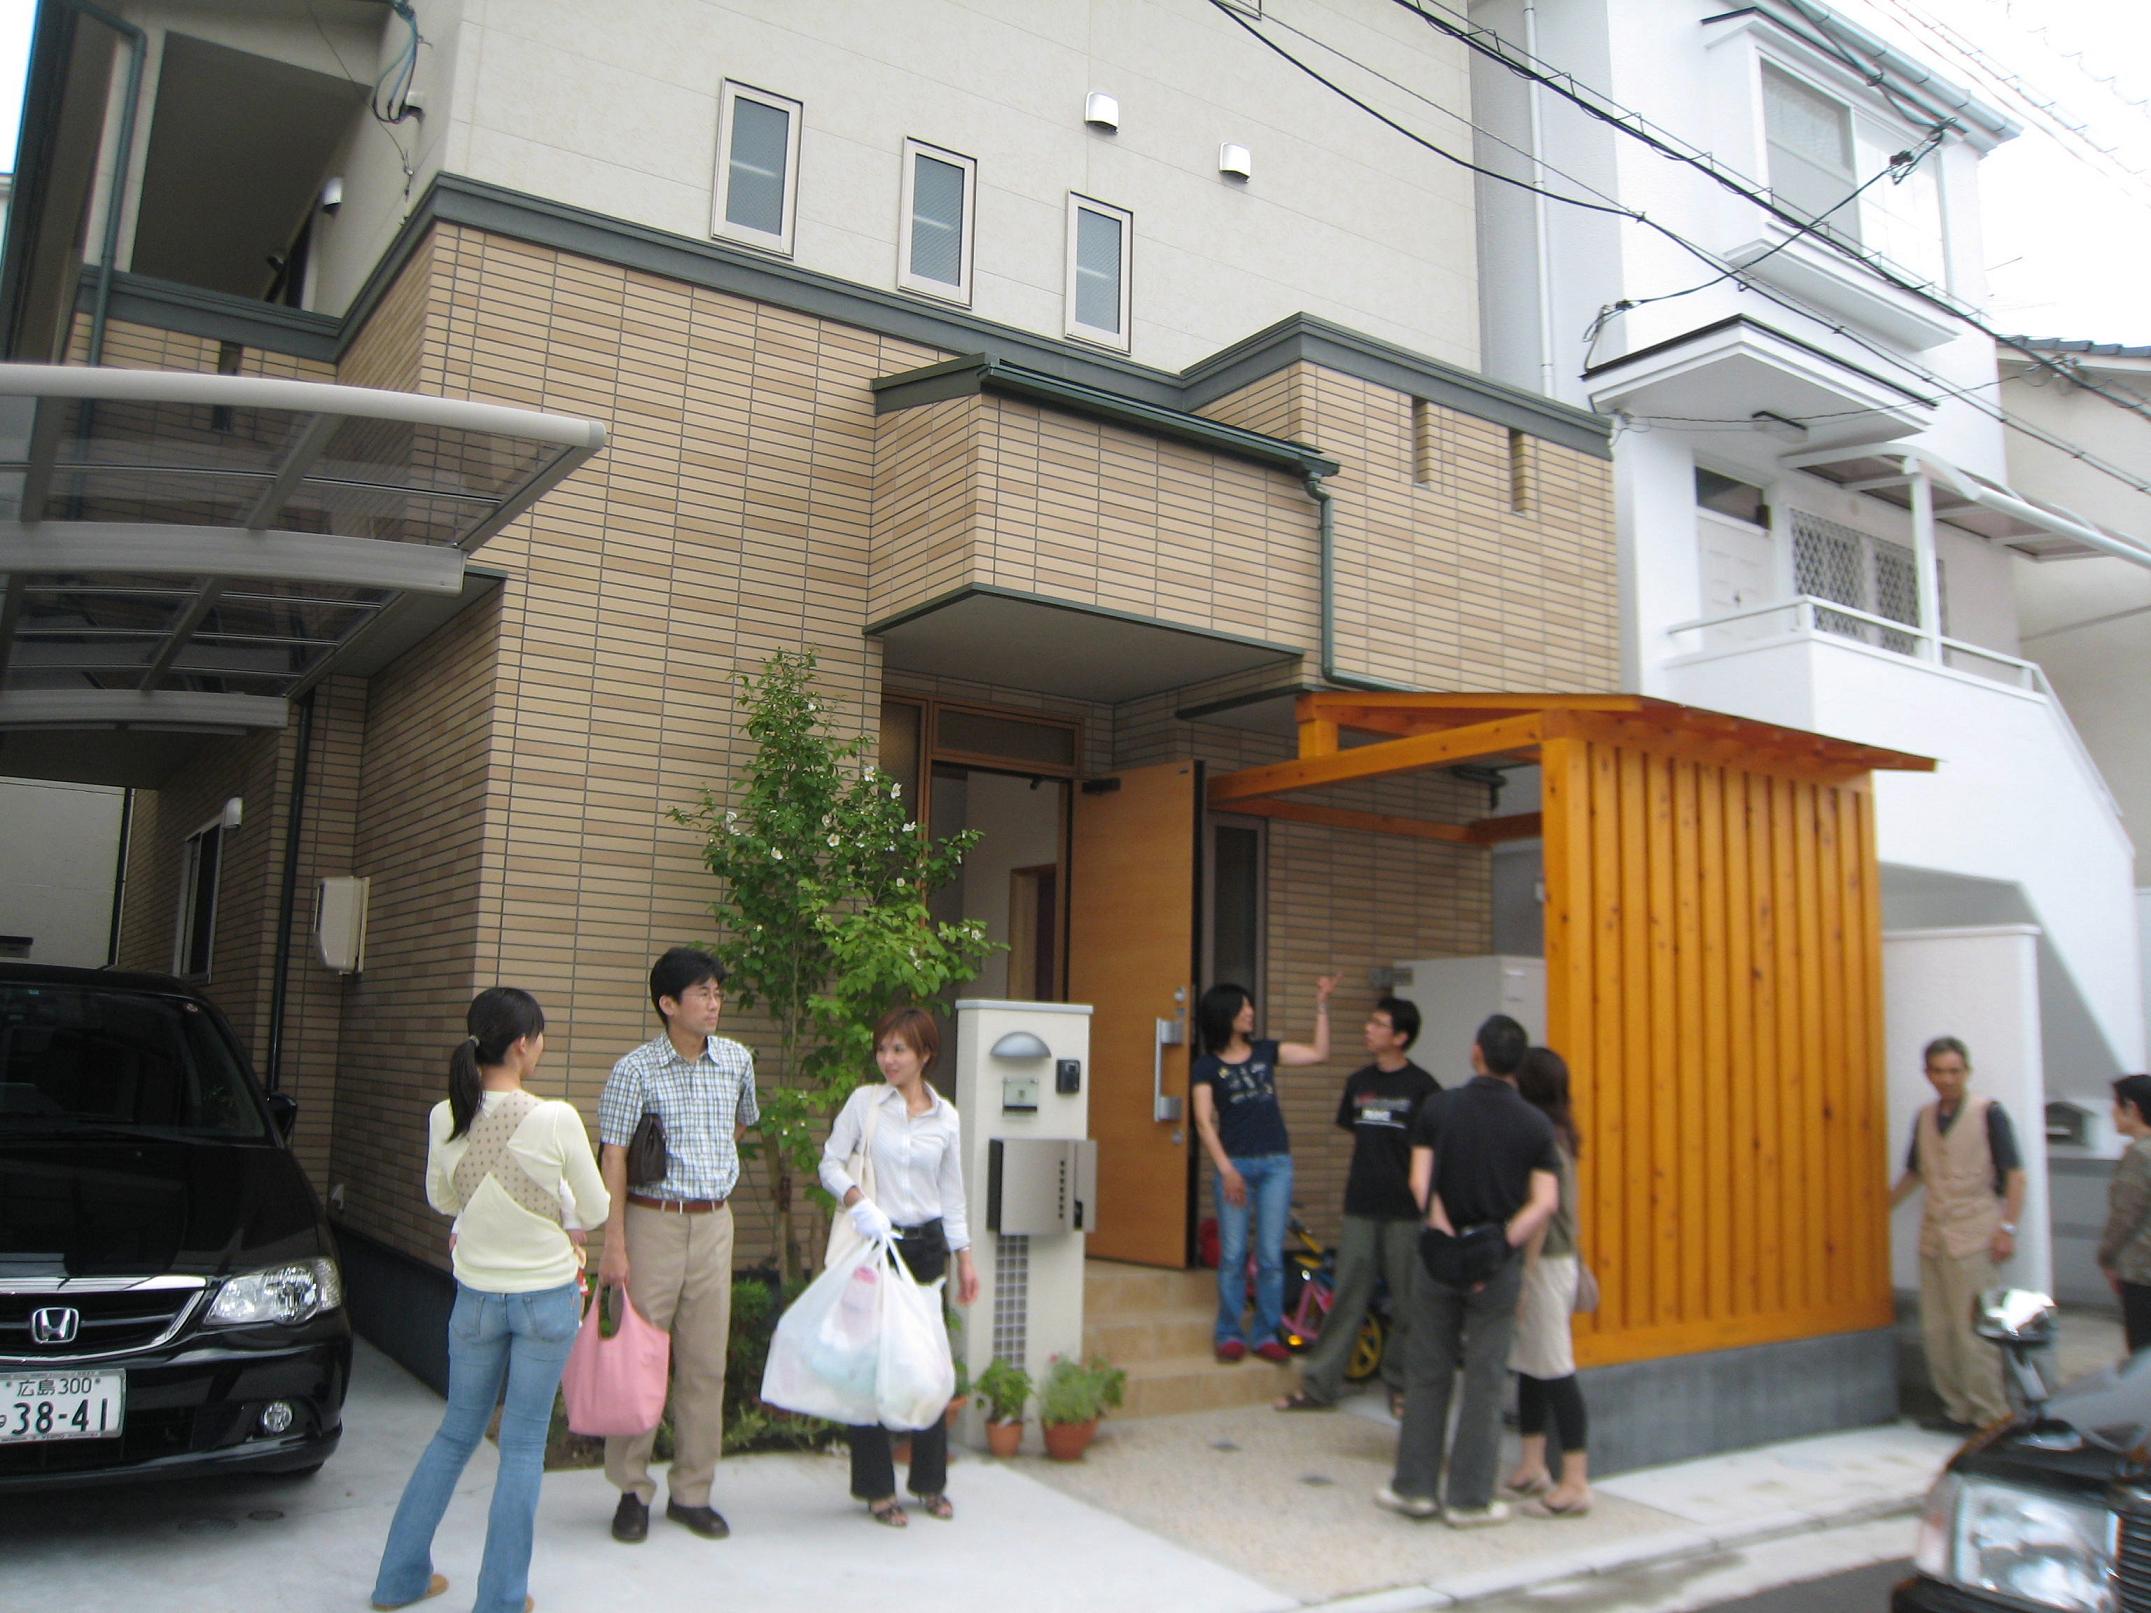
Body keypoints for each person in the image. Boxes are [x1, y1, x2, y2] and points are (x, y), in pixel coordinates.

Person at [371, 988, 609, 1613]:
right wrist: (557, 1204)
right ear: (524, 1044)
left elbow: (443, 1200)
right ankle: (500, 1600)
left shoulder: (443, 1114)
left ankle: (398, 1580)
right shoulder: (555, 1118)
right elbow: (595, 1210)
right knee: (523, 1447)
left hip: (475, 1300)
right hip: (546, 1301)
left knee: (455, 1435)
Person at [595, 947, 760, 1543]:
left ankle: (693, 1492)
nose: (714, 1004)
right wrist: (614, 1244)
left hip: (714, 1223)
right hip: (652, 1223)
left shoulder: (737, 1060)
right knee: (640, 1359)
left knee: (705, 1365)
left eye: (718, 993)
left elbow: (741, 1122)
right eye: (702, 993)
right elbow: (614, 1156)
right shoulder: (635, 1070)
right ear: (668, 1003)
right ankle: (631, 1489)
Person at [1379, 1013, 1559, 1528]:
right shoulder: (1535, 1124)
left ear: (1475, 1052)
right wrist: (1498, 1242)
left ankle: (1414, 1488)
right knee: (1484, 1380)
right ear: (1516, 1064)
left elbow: (1420, 1183)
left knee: (1427, 1371)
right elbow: (1545, 1201)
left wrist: (1445, 1234)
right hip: (1495, 1264)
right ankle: (1469, 1500)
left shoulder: (1439, 1107)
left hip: (1438, 1255)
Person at [820, 1006, 980, 1526]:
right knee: (871, 1367)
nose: (887, 1059)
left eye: (899, 1049)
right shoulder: (865, 1104)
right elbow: (829, 1162)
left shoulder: (946, 1117)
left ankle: (931, 1483)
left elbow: (952, 1195)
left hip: (927, 1248)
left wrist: (965, 1257)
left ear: (925, 1054)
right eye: (882, 1049)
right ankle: (876, 1490)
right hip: (875, 1246)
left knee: (927, 1365)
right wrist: (857, 1202)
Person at [1275, 996, 1438, 1414]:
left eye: (1379, 1024)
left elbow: (1431, 1154)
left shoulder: (1424, 1088)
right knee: (1347, 1295)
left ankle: (1402, 1386)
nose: (1368, 1028)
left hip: (1405, 1210)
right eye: (1370, 1022)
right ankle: (1319, 1386)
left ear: (1400, 1037)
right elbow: (1357, 1138)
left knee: (1407, 1302)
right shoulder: (1358, 1082)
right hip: (1360, 1205)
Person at [1191, 974, 1338, 1363]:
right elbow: (1203, 1122)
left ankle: (1267, 1334)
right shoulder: (1206, 1066)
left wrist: (1322, 1004)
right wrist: (1227, 1170)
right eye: (1243, 1007)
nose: (1250, 1012)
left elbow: (1319, 1053)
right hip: (1235, 1166)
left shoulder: (1265, 1052)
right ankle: (1229, 1333)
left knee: (1271, 1256)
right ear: (1224, 1015)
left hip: (1276, 1164)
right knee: (1234, 1255)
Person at [1889, 1035, 2025, 1432]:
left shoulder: (1989, 1113)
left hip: (1976, 1234)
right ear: (1927, 1074)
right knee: (1936, 1328)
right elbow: (1915, 1172)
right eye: (1939, 1071)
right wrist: (1879, 1209)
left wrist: (2007, 1228)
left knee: (1974, 1331)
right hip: (1934, 1236)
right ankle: (1956, 1409)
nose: (1947, 1079)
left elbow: (2015, 1176)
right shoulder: (1924, 1117)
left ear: (1967, 1071)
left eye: (1954, 1071)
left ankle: (1990, 1415)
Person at [1501, 1046, 1592, 1518]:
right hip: (1555, 1261)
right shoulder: (1559, 1133)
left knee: (1555, 1368)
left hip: (1546, 1264)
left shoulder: (1544, 1139)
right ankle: (1533, 1464)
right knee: (1531, 1365)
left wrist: (1524, 1277)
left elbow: (1540, 1214)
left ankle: (1575, 1480)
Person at [2097, 1073, 2151, 1352]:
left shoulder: (2140, 1156)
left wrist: (2106, 1256)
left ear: (2132, 1108)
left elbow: (2125, 1216)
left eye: (2115, 1104)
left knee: (2142, 1353)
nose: (2112, 1111)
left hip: (2141, 1271)